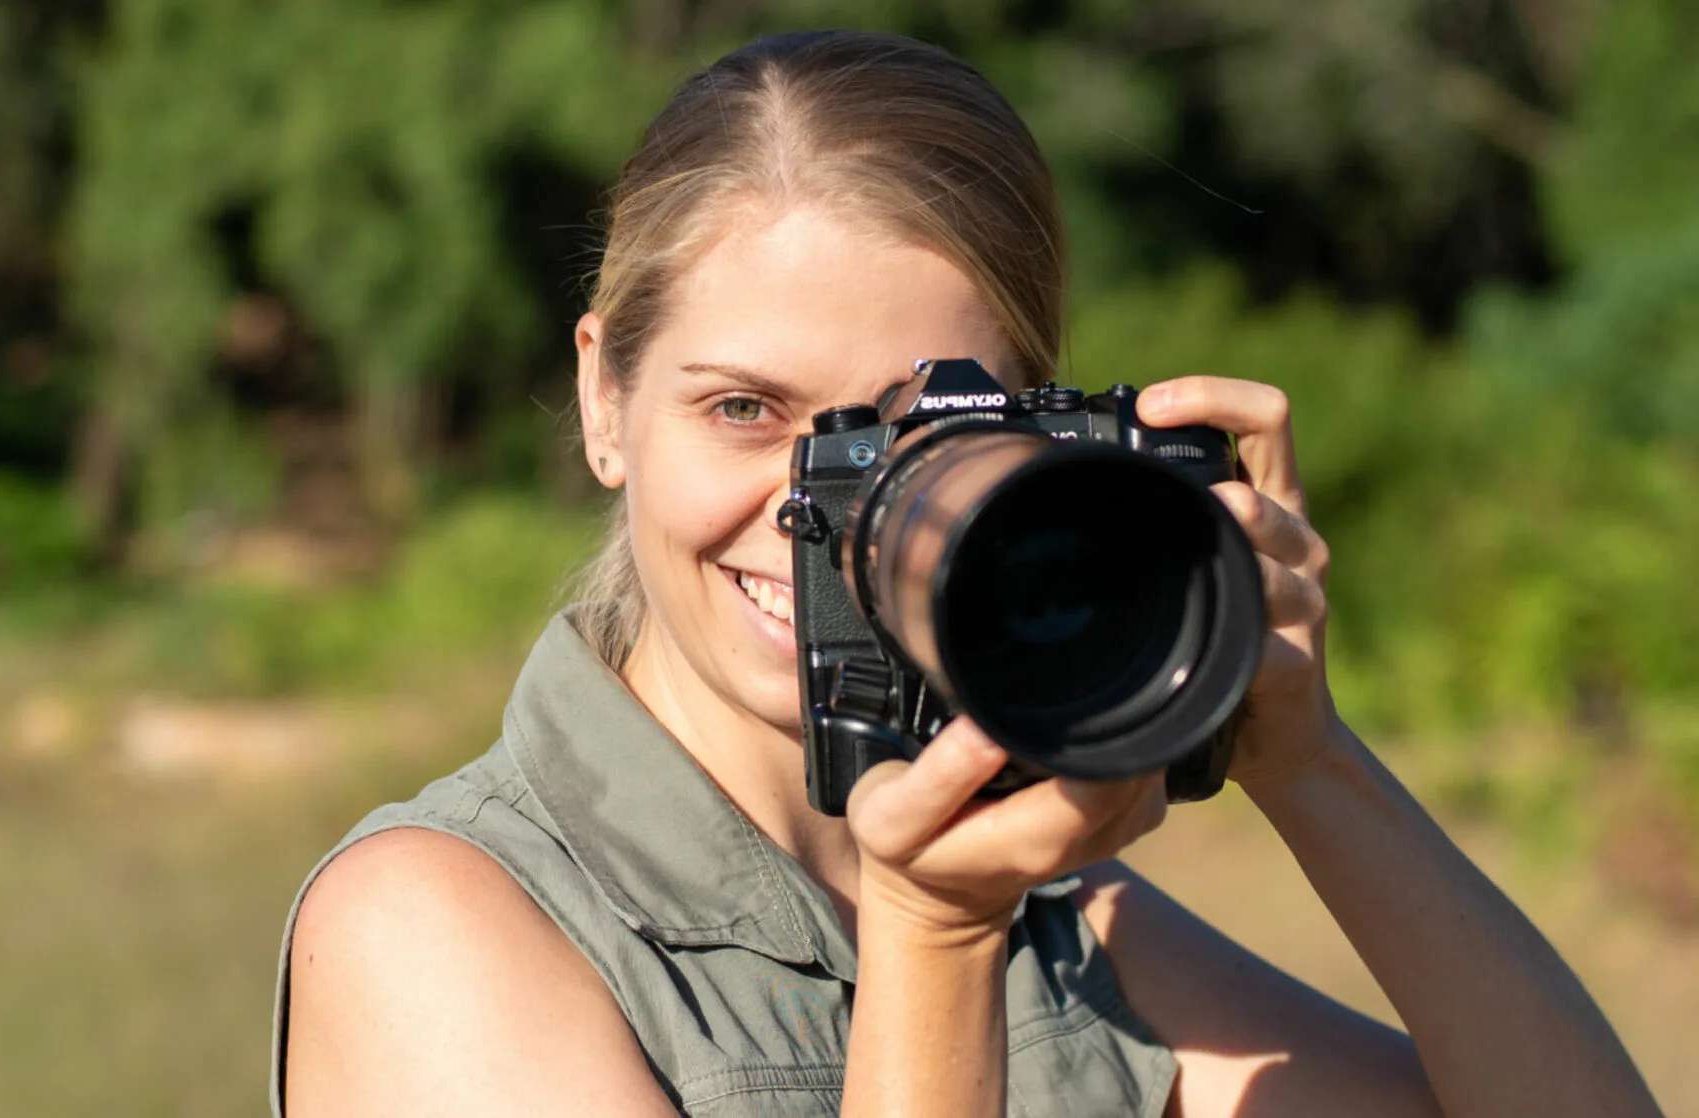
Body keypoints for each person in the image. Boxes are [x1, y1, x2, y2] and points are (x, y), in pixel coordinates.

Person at [271, 29, 1661, 1118]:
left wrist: (1307, 751)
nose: (817, 505)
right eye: (745, 408)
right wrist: (933, 941)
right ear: (603, 400)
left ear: (1032, 439)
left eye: (910, 436)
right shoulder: (434, 923)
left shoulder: (1064, 918)